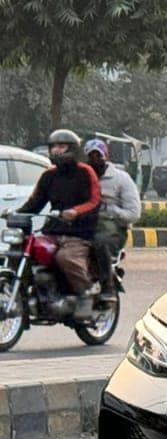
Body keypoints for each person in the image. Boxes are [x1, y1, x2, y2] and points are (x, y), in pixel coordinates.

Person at [14, 129, 101, 317]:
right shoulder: (48, 175)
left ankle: (86, 294)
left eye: (61, 146)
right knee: (31, 252)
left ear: (72, 149)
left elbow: (94, 201)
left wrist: (74, 212)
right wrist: (15, 214)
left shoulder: (85, 172)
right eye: (53, 146)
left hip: (79, 231)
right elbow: (35, 202)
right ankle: (42, 294)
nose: (56, 150)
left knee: (64, 257)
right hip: (54, 230)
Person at [83, 139, 140, 296]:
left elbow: (134, 214)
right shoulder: (82, 178)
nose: (95, 160)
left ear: (106, 156)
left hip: (111, 226)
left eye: (98, 156)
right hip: (84, 224)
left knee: (99, 242)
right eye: (91, 156)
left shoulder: (121, 179)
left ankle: (106, 284)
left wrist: (109, 210)